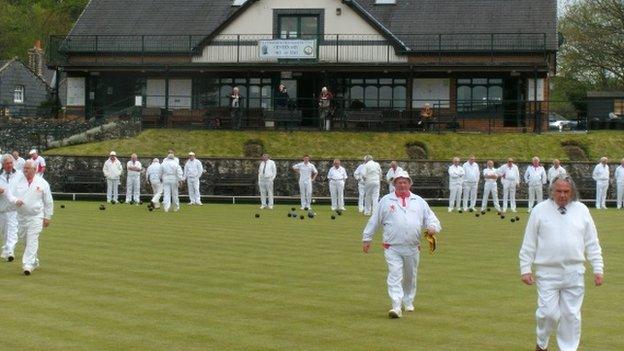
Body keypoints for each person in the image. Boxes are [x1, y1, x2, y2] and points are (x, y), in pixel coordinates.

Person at [519, 175, 604, 351]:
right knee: (548, 314)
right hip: (547, 273)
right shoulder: (539, 210)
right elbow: (529, 242)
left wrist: (598, 268)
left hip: (574, 272)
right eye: (559, 191)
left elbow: (592, 242)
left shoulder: (582, 210)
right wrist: (525, 268)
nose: (563, 195)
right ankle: (542, 342)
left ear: (572, 191)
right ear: (552, 191)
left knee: (571, 316)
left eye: (566, 191)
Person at [362, 170, 441, 318]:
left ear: (410, 184)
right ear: (394, 184)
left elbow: (431, 218)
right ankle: (396, 306)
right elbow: (374, 220)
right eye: (399, 182)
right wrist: (367, 238)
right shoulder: (386, 200)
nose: (402, 185)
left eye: (405, 182)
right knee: (395, 275)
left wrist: (432, 228)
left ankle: (408, 301)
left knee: (410, 276)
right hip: (392, 247)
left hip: (412, 247)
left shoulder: (419, 201)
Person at [9, 160, 53, 275]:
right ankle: (34, 261)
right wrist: (15, 200)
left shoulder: (43, 183)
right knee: (25, 240)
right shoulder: (17, 181)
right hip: (21, 216)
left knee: (32, 239)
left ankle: (27, 264)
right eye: (24, 168)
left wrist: (47, 217)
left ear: (35, 170)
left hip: (36, 216)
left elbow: (48, 201)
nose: (25, 170)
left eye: (28, 168)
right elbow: (10, 194)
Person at [0, 154, 19, 262]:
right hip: (1, 209)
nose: (10, 165)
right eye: (7, 163)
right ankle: (5, 250)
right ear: (3, 164)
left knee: (12, 231)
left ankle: (10, 251)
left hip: (13, 209)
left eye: (11, 163)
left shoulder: (19, 175)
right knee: (4, 232)